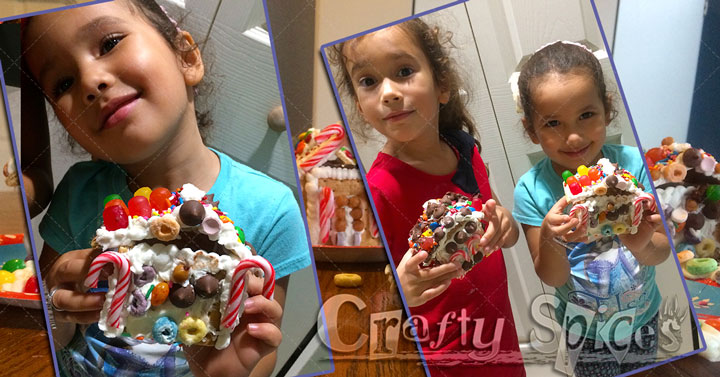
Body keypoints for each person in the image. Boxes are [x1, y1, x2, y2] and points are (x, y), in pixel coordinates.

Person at [22, 1, 311, 375]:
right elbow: (47, 328)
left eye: (109, 43)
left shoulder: (272, 211)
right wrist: (54, 308)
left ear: (187, 57)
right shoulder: (80, 191)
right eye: (63, 83)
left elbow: (261, 342)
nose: (91, 81)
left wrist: (225, 371)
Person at [330, 19, 526, 376]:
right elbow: (360, 311)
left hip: (502, 342)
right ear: (359, 106)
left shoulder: (464, 150)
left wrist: (507, 226)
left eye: (404, 71)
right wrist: (398, 290)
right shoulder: (374, 193)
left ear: (443, 85)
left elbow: (503, 233)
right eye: (369, 82)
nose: (388, 92)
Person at [512, 41, 670, 376]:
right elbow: (551, 276)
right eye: (553, 123)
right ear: (531, 131)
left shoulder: (634, 165)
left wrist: (642, 243)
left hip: (643, 316)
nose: (573, 137)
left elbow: (660, 254)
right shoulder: (531, 190)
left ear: (607, 109)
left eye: (586, 115)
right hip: (585, 330)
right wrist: (554, 239)